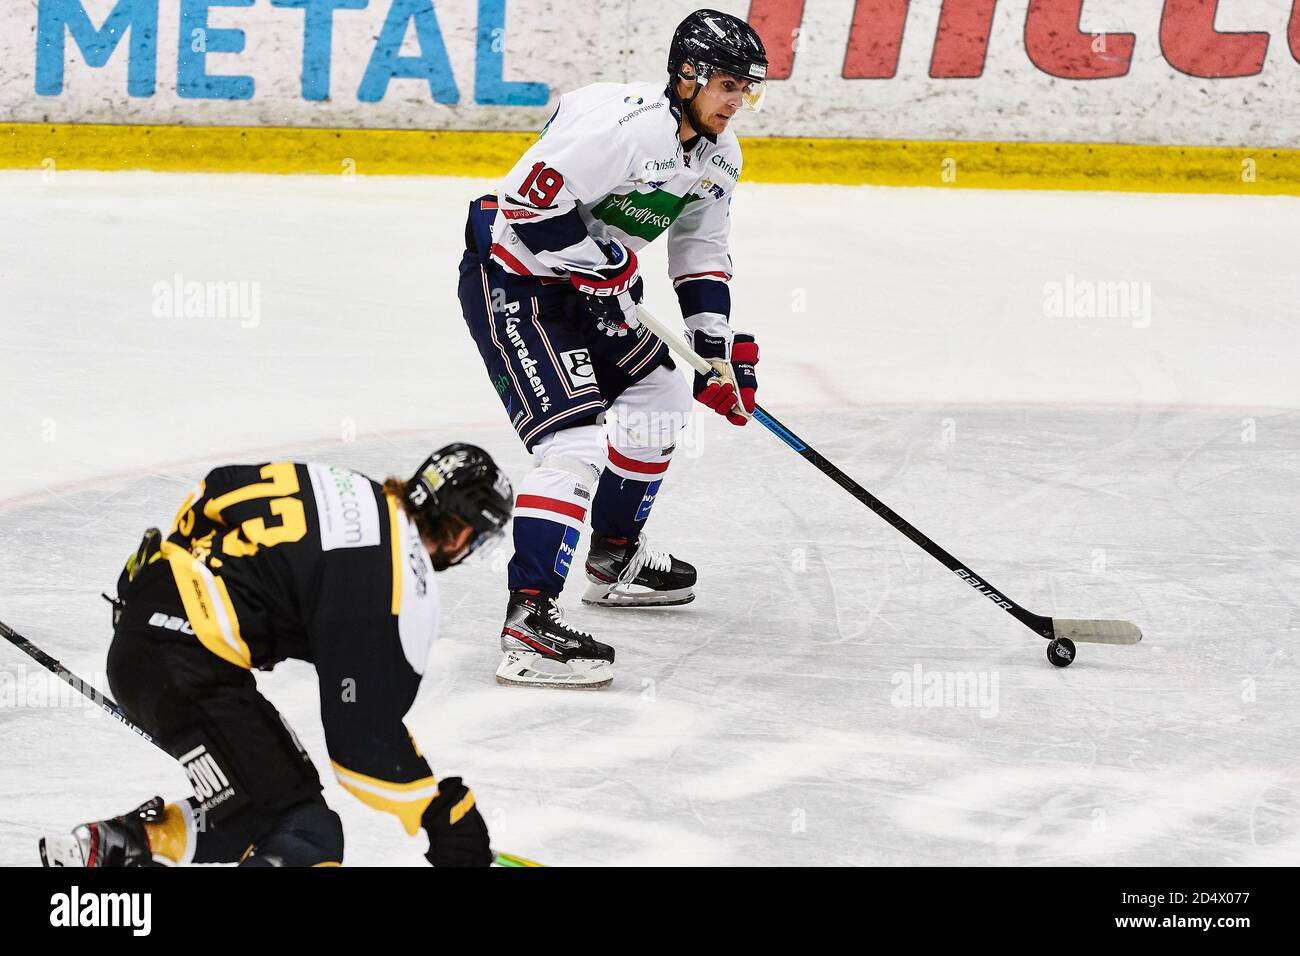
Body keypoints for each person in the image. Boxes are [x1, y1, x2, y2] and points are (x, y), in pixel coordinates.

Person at [458, 9, 769, 690]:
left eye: (745, 88)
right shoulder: (624, 132)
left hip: (593, 289)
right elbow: (525, 206)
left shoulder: (720, 154)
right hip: (518, 281)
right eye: (725, 84)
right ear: (686, 77)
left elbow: (700, 250)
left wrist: (712, 352)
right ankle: (528, 625)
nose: (736, 100)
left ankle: (613, 559)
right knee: (571, 446)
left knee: (662, 397)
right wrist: (602, 262)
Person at [39, 445, 512, 867]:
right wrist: (438, 813)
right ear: (461, 534)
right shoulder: (401, 583)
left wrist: (164, 581)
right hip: (188, 663)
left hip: (151, 626)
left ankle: (121, 846)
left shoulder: (349, 489)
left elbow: (220, 486)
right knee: (308, 836)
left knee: (277, 797)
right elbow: (361, 743)